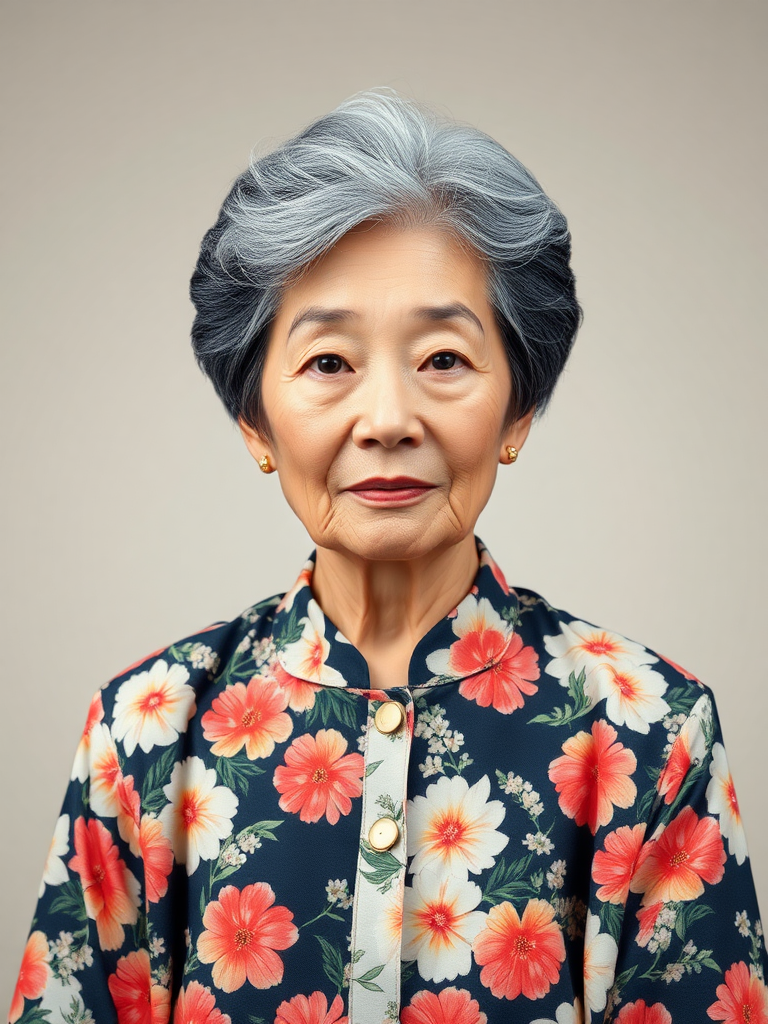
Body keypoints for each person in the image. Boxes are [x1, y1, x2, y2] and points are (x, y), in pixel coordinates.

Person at [8, 88, 766, 1024]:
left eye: (443, 358)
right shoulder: (147, 734)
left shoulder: (649, 732)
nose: (389, 420)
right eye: (329, 363)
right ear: (254, 420)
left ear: (519, 410)